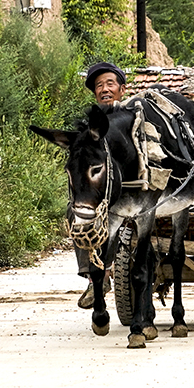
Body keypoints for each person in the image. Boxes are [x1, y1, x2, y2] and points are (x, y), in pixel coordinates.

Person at [75, 62, 127, 308]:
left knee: (116, 215)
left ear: (122, 89)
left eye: (110, 84)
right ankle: (95, 278)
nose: (104, 89)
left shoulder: (132, 115)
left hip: (132, 188)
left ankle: (103, 274)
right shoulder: (90, 126)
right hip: (103, 192)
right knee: (79, 215)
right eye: (98, 86)